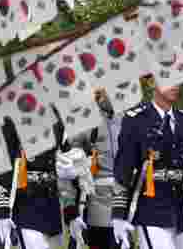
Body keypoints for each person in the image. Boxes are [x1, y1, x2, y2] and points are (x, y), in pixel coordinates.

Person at [111, 80, 183, 249]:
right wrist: (118, 216)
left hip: (181, 212)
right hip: (149, 210)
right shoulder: (135, 120)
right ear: (152, 82)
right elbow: (123, 171)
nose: (175, 85)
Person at [0, 117, 65, 249]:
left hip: (52, 204)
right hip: (25, 203)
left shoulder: (56, 112)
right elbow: (1, 162)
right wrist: (1, 211)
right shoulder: (11, 113)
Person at [71, 87, 123, 249]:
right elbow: (71, 155)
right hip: (95, 197)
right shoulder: (86, 121)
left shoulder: (126, 119)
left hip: (123, 196)